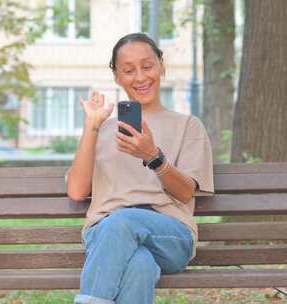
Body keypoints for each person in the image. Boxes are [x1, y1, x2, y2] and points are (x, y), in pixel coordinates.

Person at [67, 33, 214, 304]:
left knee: (124, 220)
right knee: (140, 264)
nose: (140, 77)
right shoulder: (103, 129)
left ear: (161, 65)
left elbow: (185, 194)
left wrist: (153, 156)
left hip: (170, 235)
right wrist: (92, 126)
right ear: (116, 76)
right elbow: (77, 191)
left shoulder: (188, 126)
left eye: (147, 66)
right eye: (128, 70)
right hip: (106, 235)